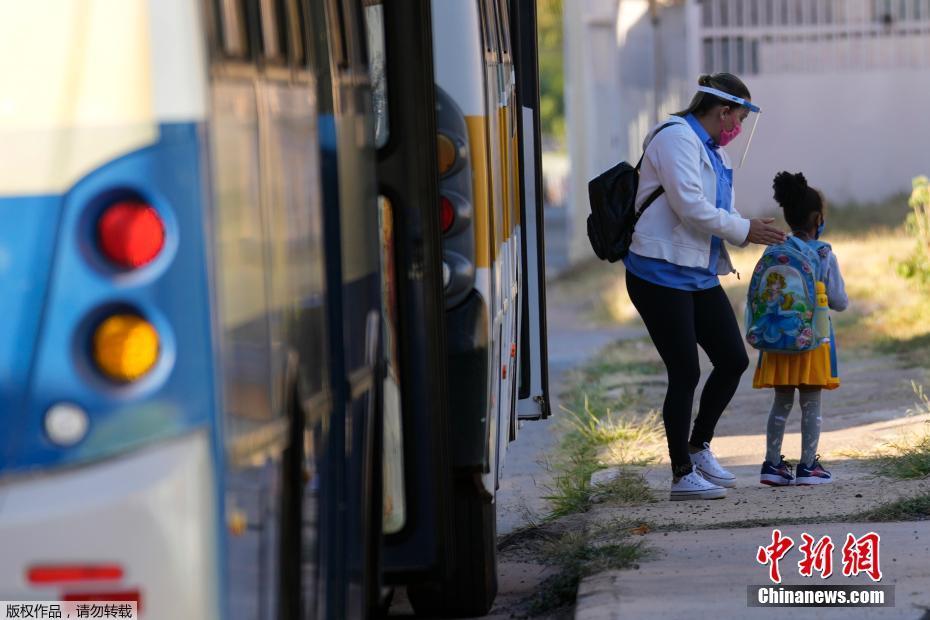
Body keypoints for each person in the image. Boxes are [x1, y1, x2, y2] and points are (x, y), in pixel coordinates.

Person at [624, 73, 786, 501]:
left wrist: (747, 228)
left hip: (696, 272)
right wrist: (745, 230)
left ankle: (698, 447)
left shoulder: (714, 151)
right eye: (740, 119)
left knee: (733, 360)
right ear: (723, 111)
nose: (740, 128)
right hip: (658, 272)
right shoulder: (674, 138)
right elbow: (691, 207)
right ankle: (681, 475)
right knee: (685, 372)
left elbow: (717, 210)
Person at [755, 171, 848, 486]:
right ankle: (808, 467)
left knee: (781, 402)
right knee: (811, 403)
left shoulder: (774, 250)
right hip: (812, 339)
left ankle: (771, 465)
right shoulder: (823, 253)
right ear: (818, 219)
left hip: (777, 338)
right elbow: (839, 301)